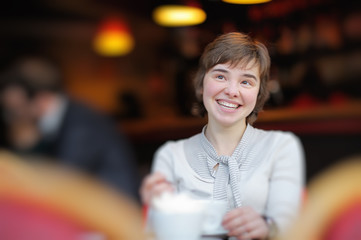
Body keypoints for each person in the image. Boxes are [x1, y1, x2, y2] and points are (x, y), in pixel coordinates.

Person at [140, 32, 305, 240]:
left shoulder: (281, 147)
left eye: (246, 82)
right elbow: (152, 235)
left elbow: (293, 229)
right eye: (220, 76)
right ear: (201, 85)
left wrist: (267, 228)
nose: (232, 90)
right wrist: (159, 212)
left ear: (259, 94)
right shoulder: (171, 156)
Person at [0, 54, 140, 201]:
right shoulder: (68, 115)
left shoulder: (82, 126)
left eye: (17, 108)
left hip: (116, 214)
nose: (12, 117)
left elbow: (60, 184)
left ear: (42, 100)